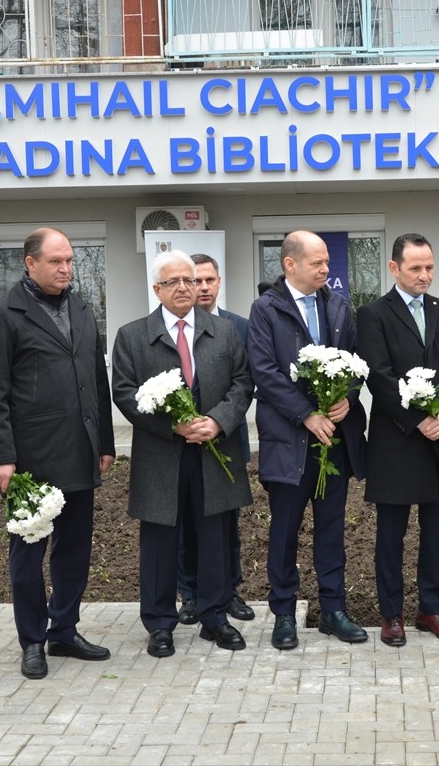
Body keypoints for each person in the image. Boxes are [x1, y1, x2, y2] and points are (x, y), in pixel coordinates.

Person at [0, 227, 116, 680]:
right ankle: (32, 639)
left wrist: (107, 444)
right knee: (28, 553)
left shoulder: (81, 308)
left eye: (70, 261)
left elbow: (98, 380)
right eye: (56, 261)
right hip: (31, 460)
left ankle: (65, 629)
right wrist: (1, 456)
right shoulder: (4, 315)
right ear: (29, 263)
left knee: (74, 550)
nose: (66, 269)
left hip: (80, 452)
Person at [111, 250, 254, 658]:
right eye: (172, 282)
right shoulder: (133, 336)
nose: (183, 288)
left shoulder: (223, 332)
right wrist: (170, 425)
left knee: (214, 537)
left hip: (214, 451)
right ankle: (159, 624)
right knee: (159, 541)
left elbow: (243, 383)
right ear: (156, 289)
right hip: (162, 454)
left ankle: (215, 617)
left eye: (189, 281)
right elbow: (124, 391)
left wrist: (219, 421)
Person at [248, 230, 369, 650]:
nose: (325, 269)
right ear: (290, 264)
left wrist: (346, 400)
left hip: (333, 439)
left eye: (326, 263)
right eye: (317, 263)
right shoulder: (266, 310)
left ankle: (333, 609)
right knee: (284, 531)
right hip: (289, 441)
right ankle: (283, 613)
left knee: (332, 529)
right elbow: (264, 372)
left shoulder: (337, 305)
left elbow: (354, 363)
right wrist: (306, 415)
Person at [357, 233, 439, 647]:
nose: (424, 275)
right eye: (415, 268)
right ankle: (391, 614)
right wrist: (416, 419)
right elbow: (379, 375)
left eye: (429, 267)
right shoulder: (373, 314)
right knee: (391, 535)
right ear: (394, 268)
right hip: (397, 441)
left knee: (437, 530)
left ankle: (432, 608)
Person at [173, 253, 255, 627]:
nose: (202, 287)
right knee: (187, 524)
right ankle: (190, 594)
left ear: (219, 282)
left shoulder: (239, 326)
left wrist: (219, 421)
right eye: (196, 280)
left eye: (209, 280)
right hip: (183, 445)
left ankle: (229, 590)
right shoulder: (172, 326)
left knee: (227, 525)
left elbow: (246, 381)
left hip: (226, 442)